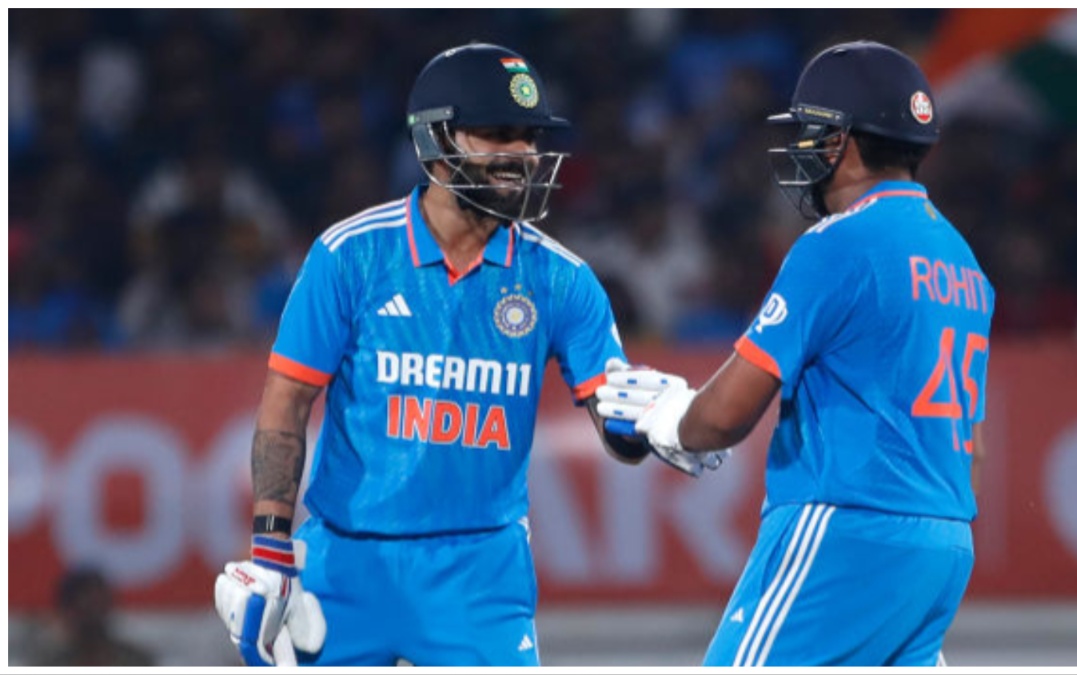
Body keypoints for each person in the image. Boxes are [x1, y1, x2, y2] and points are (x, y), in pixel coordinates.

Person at [212, 42, 721, 667]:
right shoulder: (350, 255)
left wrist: (653, 421)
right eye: (498, 135)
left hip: (481, 576)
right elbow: (286, 402)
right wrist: (270, 552)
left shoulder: (562, 280)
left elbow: (616, 428)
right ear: (436, 141)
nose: (523, 155)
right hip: (344, 564)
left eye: (530, 138)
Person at [598, 41, 995, 666]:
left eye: (813, 131)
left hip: (847, 529)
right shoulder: (965, 262)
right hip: (943, 542)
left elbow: (725, 416)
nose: (804, 148)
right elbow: (972, 450)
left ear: (844, 142)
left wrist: (666, 418)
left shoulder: (837, 243)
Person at [30, 567, 156, 667]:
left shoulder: (136, 662)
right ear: (67, 611)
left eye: (101, 605)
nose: (95, 616)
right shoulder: (51, 665)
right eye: (87, 607)